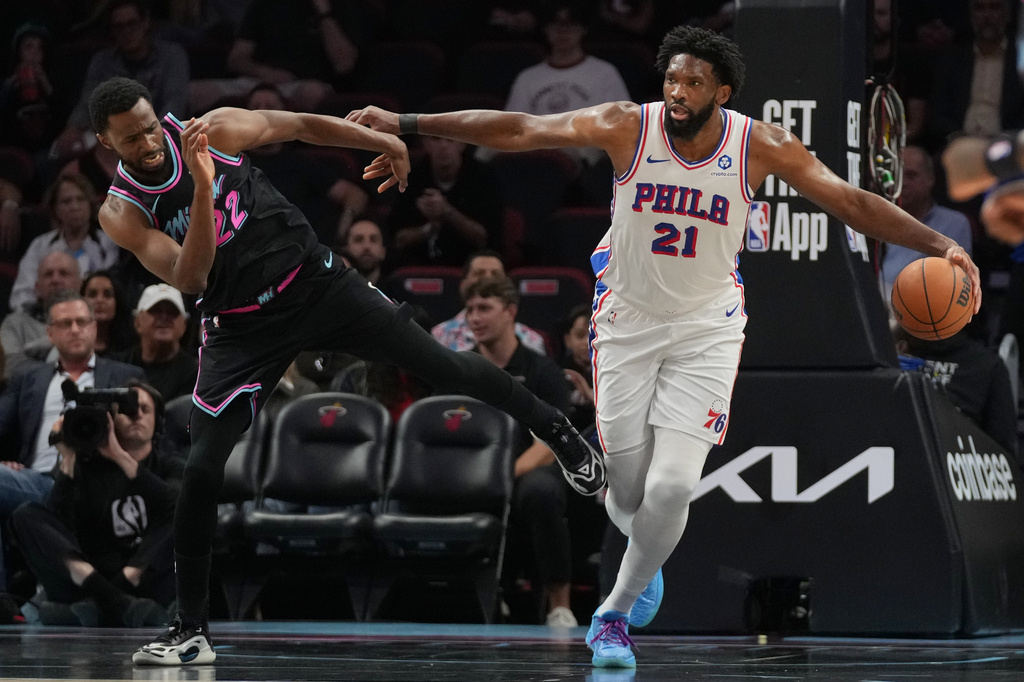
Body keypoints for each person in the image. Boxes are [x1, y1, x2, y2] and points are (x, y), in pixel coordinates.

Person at [349, 24, 981, 668]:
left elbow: (850, 202)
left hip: (707, 329)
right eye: (672, 78)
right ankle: (640, 547)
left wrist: (941, 244)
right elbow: (520, 129)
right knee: (627, 495)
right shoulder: (629, 125)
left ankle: (613, 615)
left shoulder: (760, 145)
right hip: (627, 323)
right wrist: (409, 122)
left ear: (722, 92)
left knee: (674, 485)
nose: (677, 91)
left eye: (693, 82)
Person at [86, 76, 603, 666]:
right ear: (106, 142)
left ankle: (558, 429)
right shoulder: (122, 210)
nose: (150, 142)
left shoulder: (215, 130)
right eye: (132, 138)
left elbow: (302, 125)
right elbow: (192, 277)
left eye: (151, 127)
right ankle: (191, 629)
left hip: (314, 283)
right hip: (240, 325)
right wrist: (204, 190)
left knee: (445, 367)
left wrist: (381, 142)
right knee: (202, 469)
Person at [0, 290, 144, 591]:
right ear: (50, 333)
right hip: (38, 479)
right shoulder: (28, 378)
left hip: (99, 483)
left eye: (81, 322)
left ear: (94, 327)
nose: (75, 329)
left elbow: (146, 432)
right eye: (65, 324)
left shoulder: (126, 375)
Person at [10, 380, 182, 627]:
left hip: (148, 578)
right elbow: (59, 526)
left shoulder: (169, 465)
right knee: (25, 514)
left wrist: (120, 456)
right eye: (128, 409)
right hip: (93, 576)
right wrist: (69, 459)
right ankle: (113, 602)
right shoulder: (88, 468)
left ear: (158, 421)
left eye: (145, 409)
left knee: (188, 509)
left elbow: (175, 504)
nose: (136, 415)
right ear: (110, 420)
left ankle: (101, 603)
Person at [465, 276, 577, 627]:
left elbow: (554, 441)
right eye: (470, 309)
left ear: (510, 312)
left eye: (485, 308)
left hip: (529, 467)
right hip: (469, 472)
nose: (474, 318)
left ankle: (560, 605)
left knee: (542, 491)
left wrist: (503, 476)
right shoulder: (460, 369)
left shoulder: (543, 372)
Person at [51, 0, 190, 161]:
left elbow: (174, 105)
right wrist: (73, 128)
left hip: (158, 138)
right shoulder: (103, 61)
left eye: (132, 24)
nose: (127, 32)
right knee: (59, 153)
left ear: (145, 23)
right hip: (111, 139)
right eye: (119, 27)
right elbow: (88, 102)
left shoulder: (172, 57)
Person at [244, 84, 368, 249]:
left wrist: (342, 230)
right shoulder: (230, 161)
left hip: (289, 249)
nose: (262, 112)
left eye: (270, 107)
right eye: (256, 107)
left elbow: (353, 195)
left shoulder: (299, 163)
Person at [387, 134, 502, 269]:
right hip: (420, 265)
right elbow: (399, 240)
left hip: (471, 264)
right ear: (425, 144)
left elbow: (485, 239)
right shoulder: (411, 178)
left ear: (462, 143)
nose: (443, 146)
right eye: (436, 139)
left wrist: (447, 211)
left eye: (450, 139)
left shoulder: (482, 177)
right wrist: (429, 229)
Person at [9, 174, 120, 313]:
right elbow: (21, 295)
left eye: (80, 199)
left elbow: (110, 291)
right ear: (55, 209)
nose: (74, 207)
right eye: (66, 201)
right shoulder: (40, 246)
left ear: (90, 205)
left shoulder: (107, 244)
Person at [878, 146, 973, 305]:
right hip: (876, 305)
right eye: (897, 175)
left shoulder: (954, 222)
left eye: (911, 175)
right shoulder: (878, 218)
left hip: (927, 308)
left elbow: (954, 284)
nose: (903, 183)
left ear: (930, 179)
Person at [431, 250, 548, 355]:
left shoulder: (530, 340)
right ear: (463, 284)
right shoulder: (441, 336)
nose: (488, 278)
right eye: (479, 273)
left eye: (496, 274)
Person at [1, 251, 82, 378]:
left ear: (80, 284)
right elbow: (10, 367)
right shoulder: (14, 324)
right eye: (48, 274)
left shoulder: (94, 321)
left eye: (63, 273)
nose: (55, 280)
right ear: (37, 287)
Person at [112, 284, 198, 401]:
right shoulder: (116, 367)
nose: (164, 317)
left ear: (184, 325)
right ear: (137, 321)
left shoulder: (197, 375)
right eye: (156, 311)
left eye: (172, 312)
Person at [81, 270, 137, 357]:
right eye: (92, 294)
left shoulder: (132, 350)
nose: (99, 300)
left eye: (108, 295)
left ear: (117, 302)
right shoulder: (70, 346)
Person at [339, 218, 387, 285]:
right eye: (358, 240)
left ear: (383, 252)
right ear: (346, 249)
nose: (367, 246)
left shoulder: (397, 289)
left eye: (373, 240)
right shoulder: (333, 288)